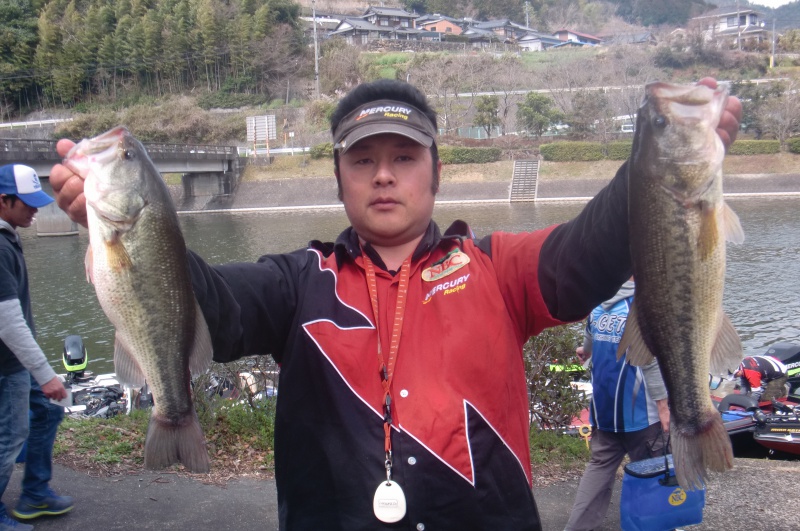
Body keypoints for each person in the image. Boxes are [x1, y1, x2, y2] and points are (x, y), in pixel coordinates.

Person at [49, 78, 741, 530]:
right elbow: (210, 303)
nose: (384, 173)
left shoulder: (498, 270)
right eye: (362, 158)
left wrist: (664, 159)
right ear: (339, 180)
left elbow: (594, 247)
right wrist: (126, 234)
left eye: (404, 156)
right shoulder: (298, 281)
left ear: (436, 172)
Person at [0, 164, 75, 531]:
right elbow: (8, 322)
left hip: (16, 361)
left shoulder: (8, 236)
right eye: (27, 203)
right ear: (3, 200)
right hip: (7, 364)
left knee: (46, 412)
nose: (35, 210)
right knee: (10, 435)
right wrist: (45, 375)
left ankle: (35, 492)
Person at [564, 279, 670, 531]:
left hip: (603, 412)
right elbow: (651, 361)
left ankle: (577, 528)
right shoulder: (642, 308)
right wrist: (664, 407)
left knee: (599, 468)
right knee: (651, 474)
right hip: (642, 415)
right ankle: (654, 525)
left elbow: (589, 338)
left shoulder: (598, 304)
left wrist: (586, 351)